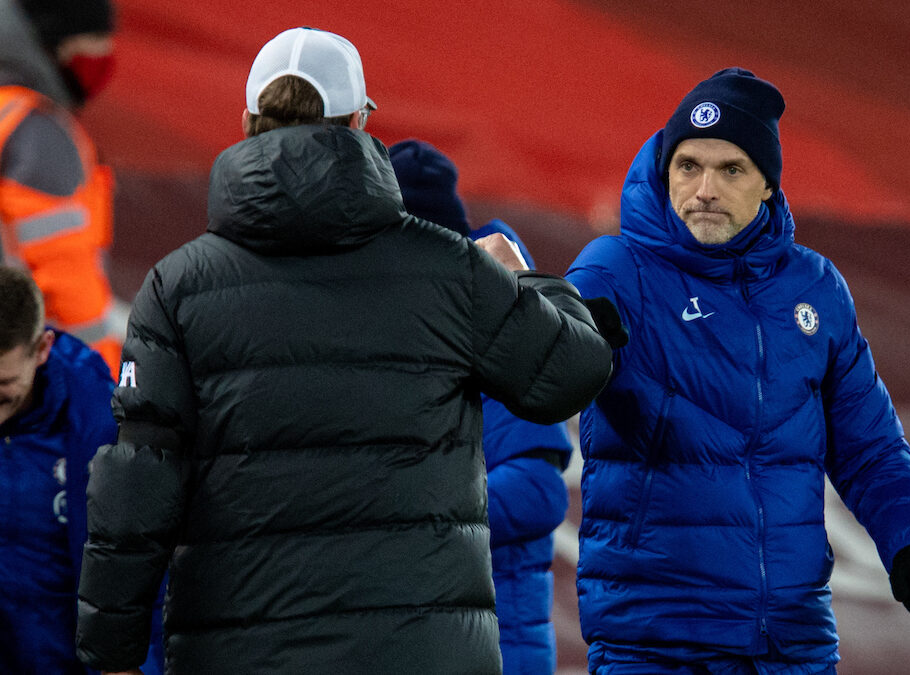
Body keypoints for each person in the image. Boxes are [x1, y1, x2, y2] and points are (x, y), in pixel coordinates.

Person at [74, 26, 612, 674]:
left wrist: (112, 652)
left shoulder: (176, 287)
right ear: (359, 122)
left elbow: (138, 482)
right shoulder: (449, 270)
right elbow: (575, 370)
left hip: (242, 652)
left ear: (247, 122)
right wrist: (522, 278)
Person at [566, 67, 910, 673]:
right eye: (688, 166)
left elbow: (871, 445)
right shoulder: (616, 271)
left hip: (792, 647)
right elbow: (548, 364)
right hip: (659, 645)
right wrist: (568, 331)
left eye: (731, 170)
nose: (704, 190)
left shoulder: (816, 288)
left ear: (768, 186)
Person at [390, 138, 576, 674]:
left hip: (497, 651)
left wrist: (420, 520)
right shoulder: (387, 331)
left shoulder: (506, 328)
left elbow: (539, 491)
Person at [0, 266, 163, 675]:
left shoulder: (99, 429)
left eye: (3, 389)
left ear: (41, 350)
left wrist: (135, 664)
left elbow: (135, 564)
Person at [0, 0, 126, 375]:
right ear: (58, 41)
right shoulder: (38, 133)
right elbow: (66, 292)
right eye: (97, 38)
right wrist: (103, 390)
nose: (106, 52)